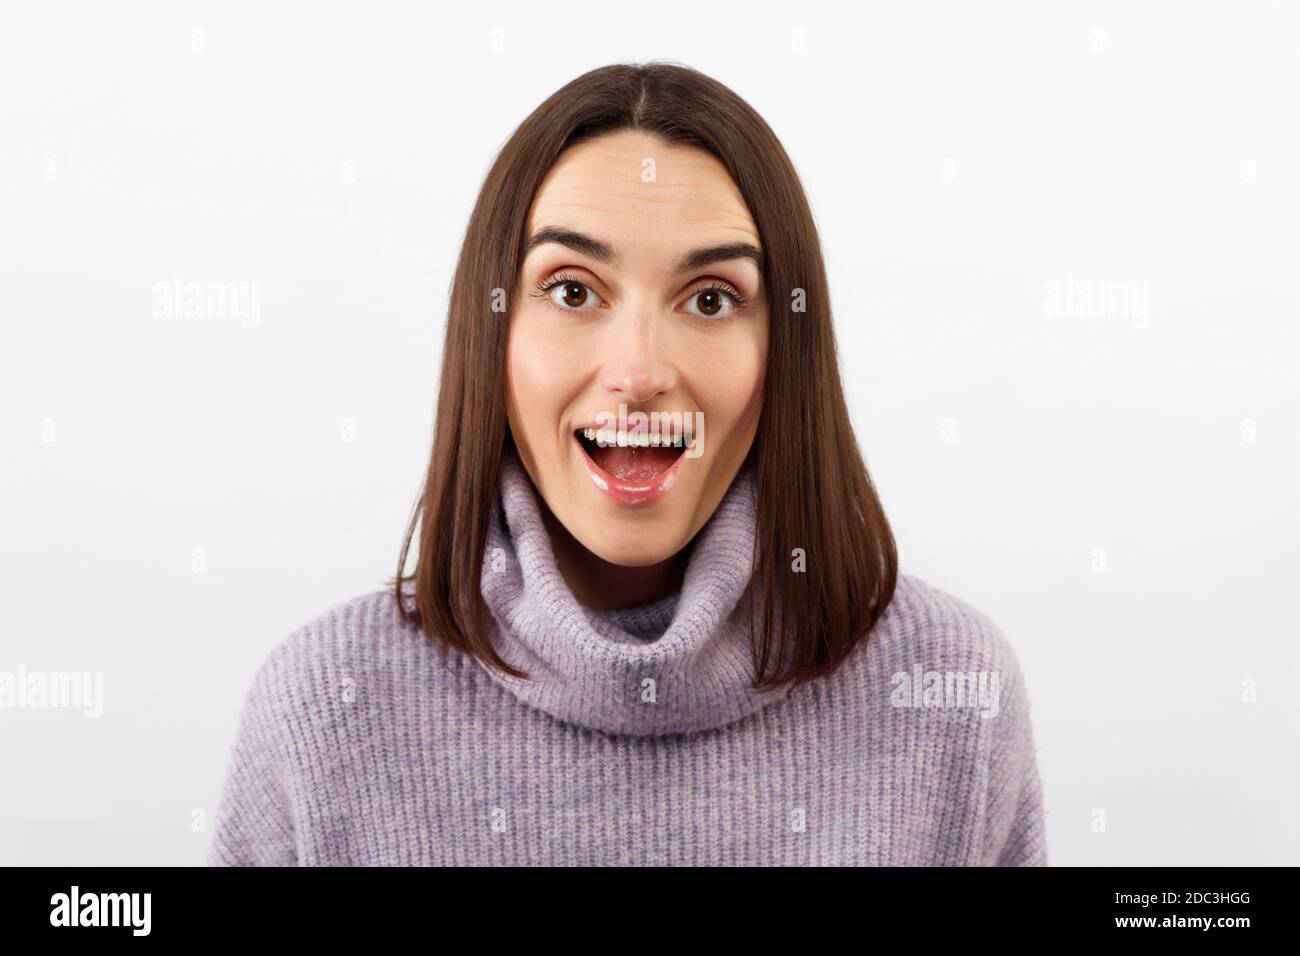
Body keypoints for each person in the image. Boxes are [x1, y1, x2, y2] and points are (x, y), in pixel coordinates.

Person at [209, 61, 1046, 866]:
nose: (641, 373)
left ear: (783, 351)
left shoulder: (954, 695)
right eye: (573, 291)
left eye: (711, 299)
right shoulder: (322, 709)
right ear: (491, 334)